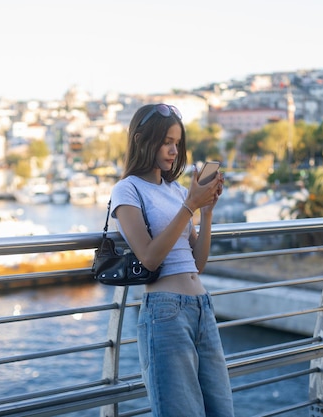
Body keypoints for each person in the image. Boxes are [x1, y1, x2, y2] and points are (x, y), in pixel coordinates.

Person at [110, 103, 234, 417]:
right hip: (165, 310)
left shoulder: (177, 191)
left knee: (221, 409)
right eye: (166, 142)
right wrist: (190, 207)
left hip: (202, 306)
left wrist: (205, 212)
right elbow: (149, 257)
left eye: (177, 143)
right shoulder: (127, 190)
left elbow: (198, 263)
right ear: (140, 140)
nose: (173, 151)